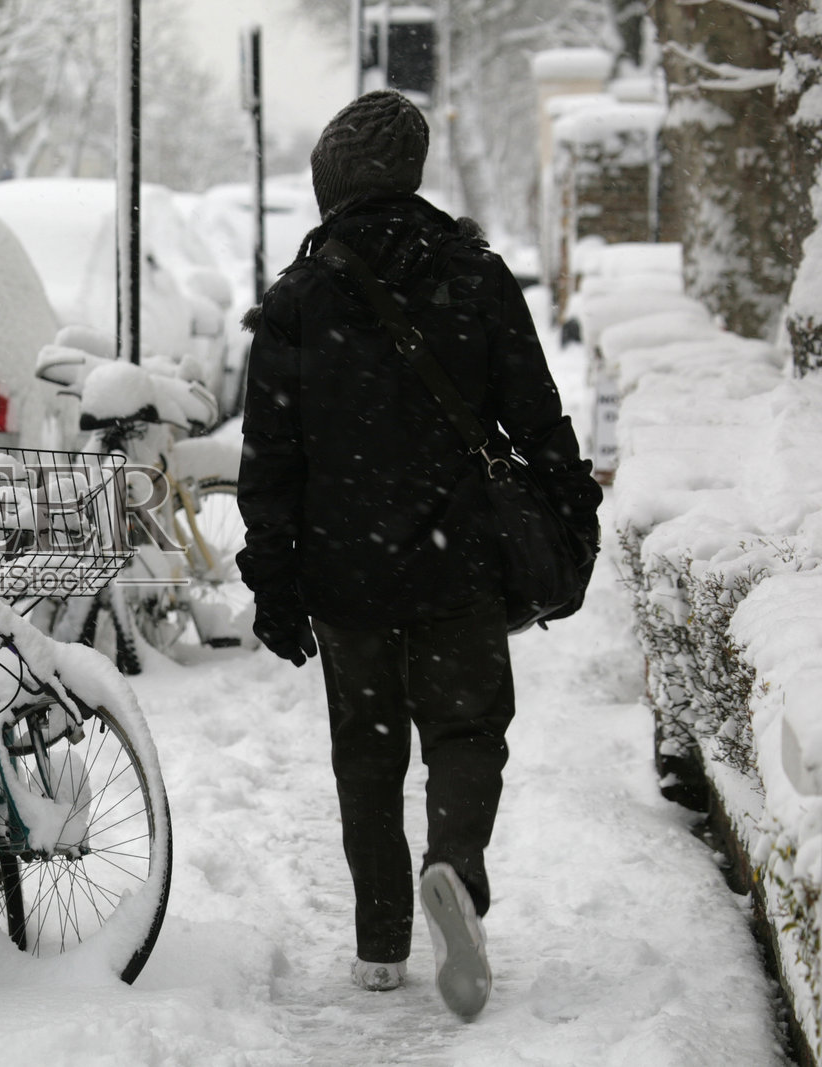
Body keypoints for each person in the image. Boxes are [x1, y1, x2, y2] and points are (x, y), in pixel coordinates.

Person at [236, 90, 601, 1020]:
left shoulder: (298, 298)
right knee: (467, 732)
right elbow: (537, 411)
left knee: (366, 751)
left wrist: (273, 579)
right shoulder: (473, 275)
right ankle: (454, 871)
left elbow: (269, 460)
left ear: (333, 183)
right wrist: (571, 508)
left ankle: (379, 940)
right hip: (460, 558)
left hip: (344, 567)